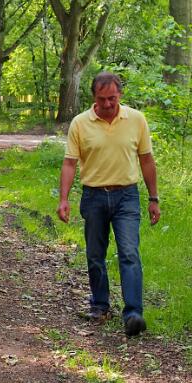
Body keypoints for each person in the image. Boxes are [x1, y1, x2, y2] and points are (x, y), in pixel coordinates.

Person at [56, 71, 160, 337]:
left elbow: (146, 160)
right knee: (95, 255)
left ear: (120, 95)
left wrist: (153, 198)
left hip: (127, 195)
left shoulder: (136, 120)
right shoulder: (80, 123)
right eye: (102, 99)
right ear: (94, 97)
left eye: (112, 98)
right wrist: (64, 199)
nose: (107, 104)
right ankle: (100, 305)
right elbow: (69, 163)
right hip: (94, 196)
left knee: (129, 252)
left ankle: (133, 313)